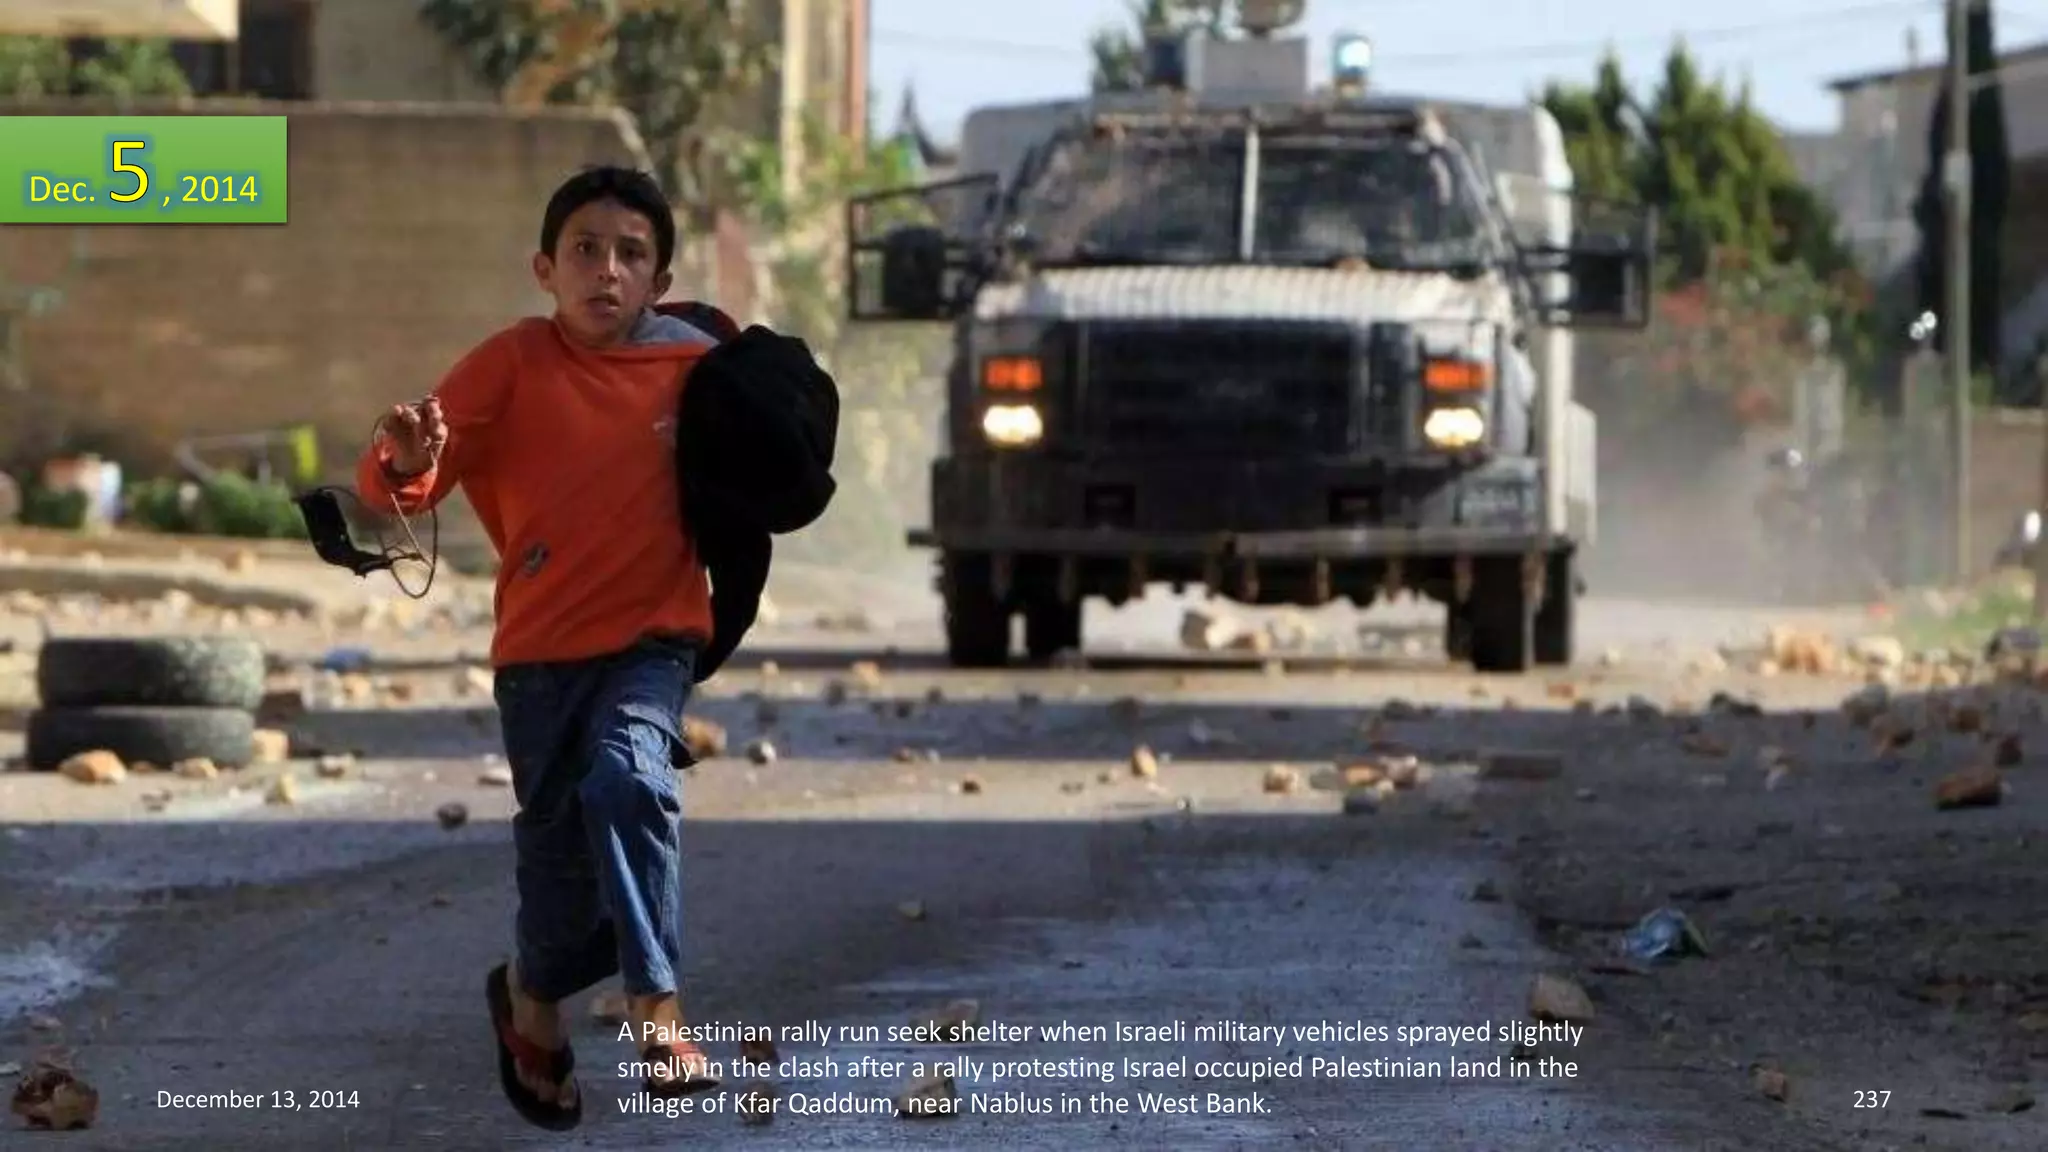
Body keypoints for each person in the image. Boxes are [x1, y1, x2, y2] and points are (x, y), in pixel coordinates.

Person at [356, 165, 732, 1130]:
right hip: (538, 660)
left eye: (631, 255)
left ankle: (658, 1011)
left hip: (652, 645)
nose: (607, 270)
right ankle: (529, 996)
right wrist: (405, 457)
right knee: (563, 876)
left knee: (630, 782)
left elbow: (777, 463)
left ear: (659, 282)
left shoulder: (698, 369)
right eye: (586, 250)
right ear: (544, 268)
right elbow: (402, 482)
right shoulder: (512, 363)